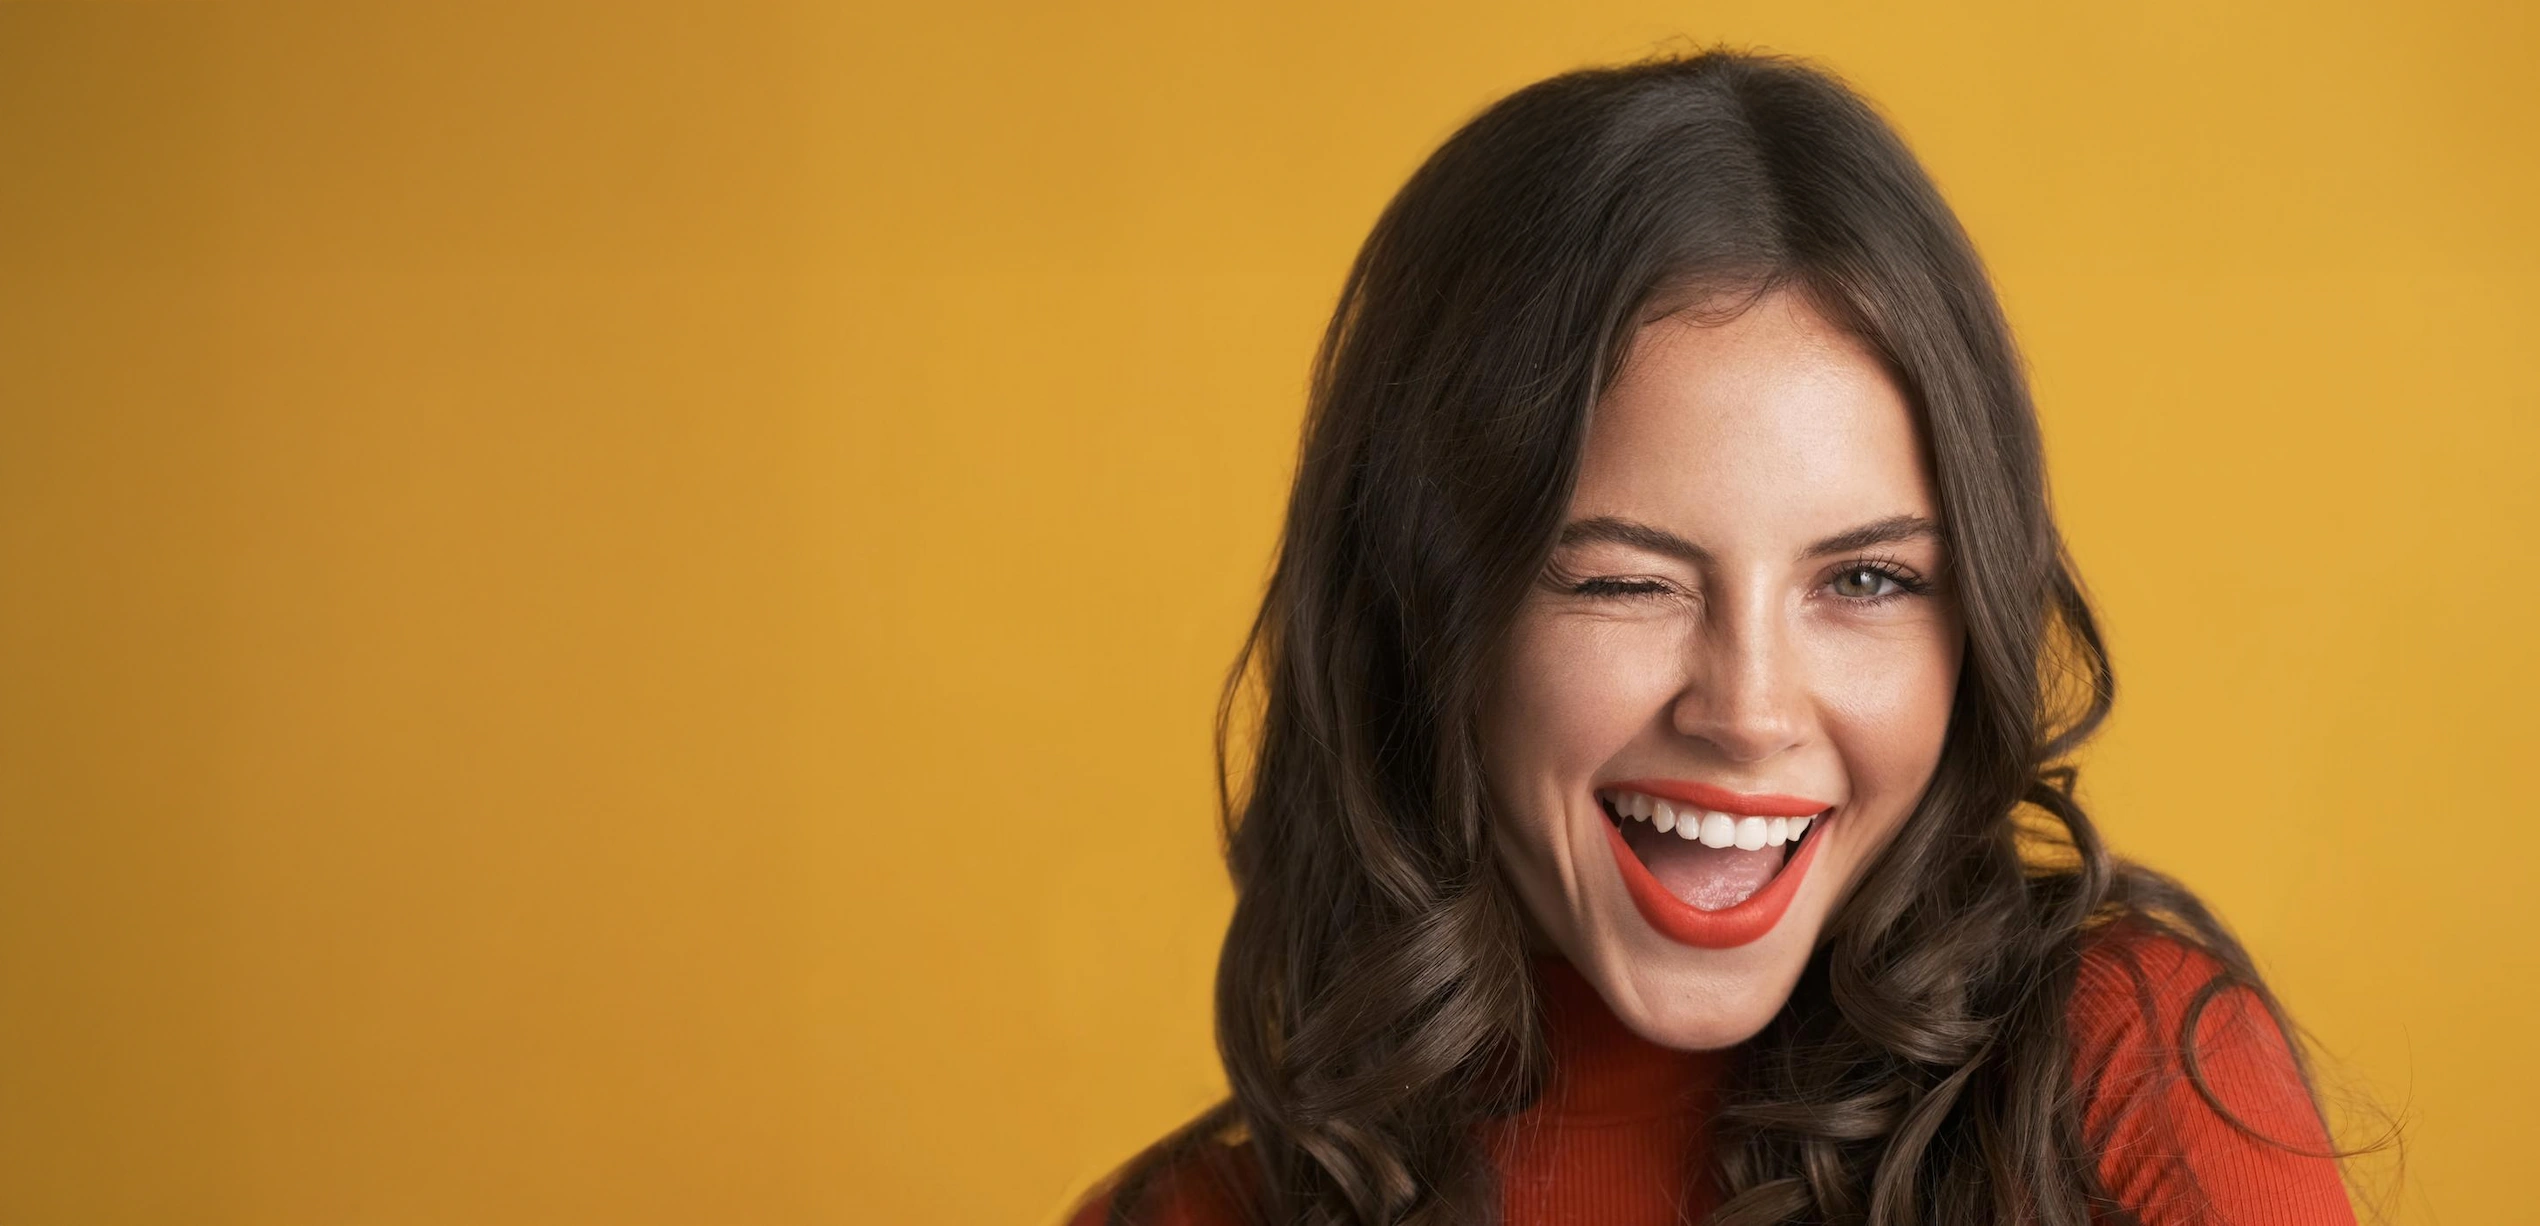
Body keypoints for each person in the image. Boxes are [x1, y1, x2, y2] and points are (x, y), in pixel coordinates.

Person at [1070, 48, 2357, 1226]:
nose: (1748, 710)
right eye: (1624, 583)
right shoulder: (1191, 1215)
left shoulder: (2118, 1083)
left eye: (1865, 577)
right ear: (1418, 607)